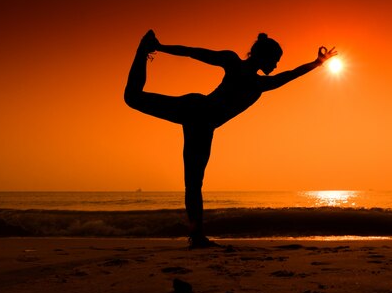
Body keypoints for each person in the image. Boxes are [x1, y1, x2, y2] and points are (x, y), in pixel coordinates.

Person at [124, 30, 337, 248]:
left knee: (193, 183)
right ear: (262, 56)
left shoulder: (260, 83)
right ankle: (145, 49)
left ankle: (197, 236)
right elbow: (194, 53)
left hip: (202, 123)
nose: (276, 65)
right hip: (197, 111)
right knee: (133, 99)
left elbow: (291, 74)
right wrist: (161, 47)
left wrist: (317, 63)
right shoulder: (235, 64)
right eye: (274, 60)